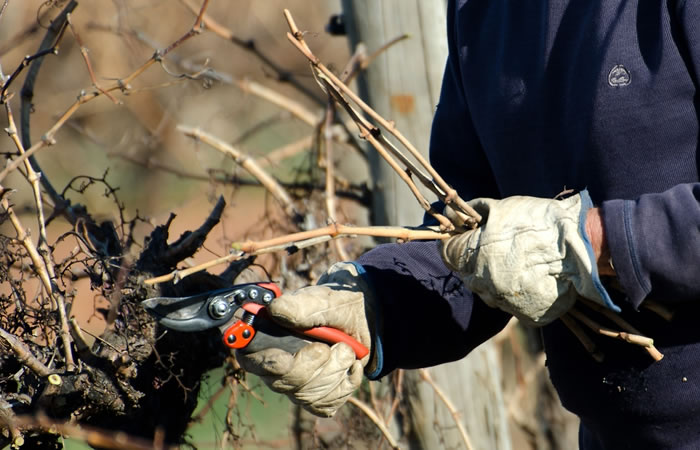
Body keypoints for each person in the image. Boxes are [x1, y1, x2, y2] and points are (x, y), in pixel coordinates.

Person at [238, 1, 700, 448]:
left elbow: (544, 243)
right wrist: (376, 306)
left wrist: (590, 240)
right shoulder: (482, 10)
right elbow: (472, 238)